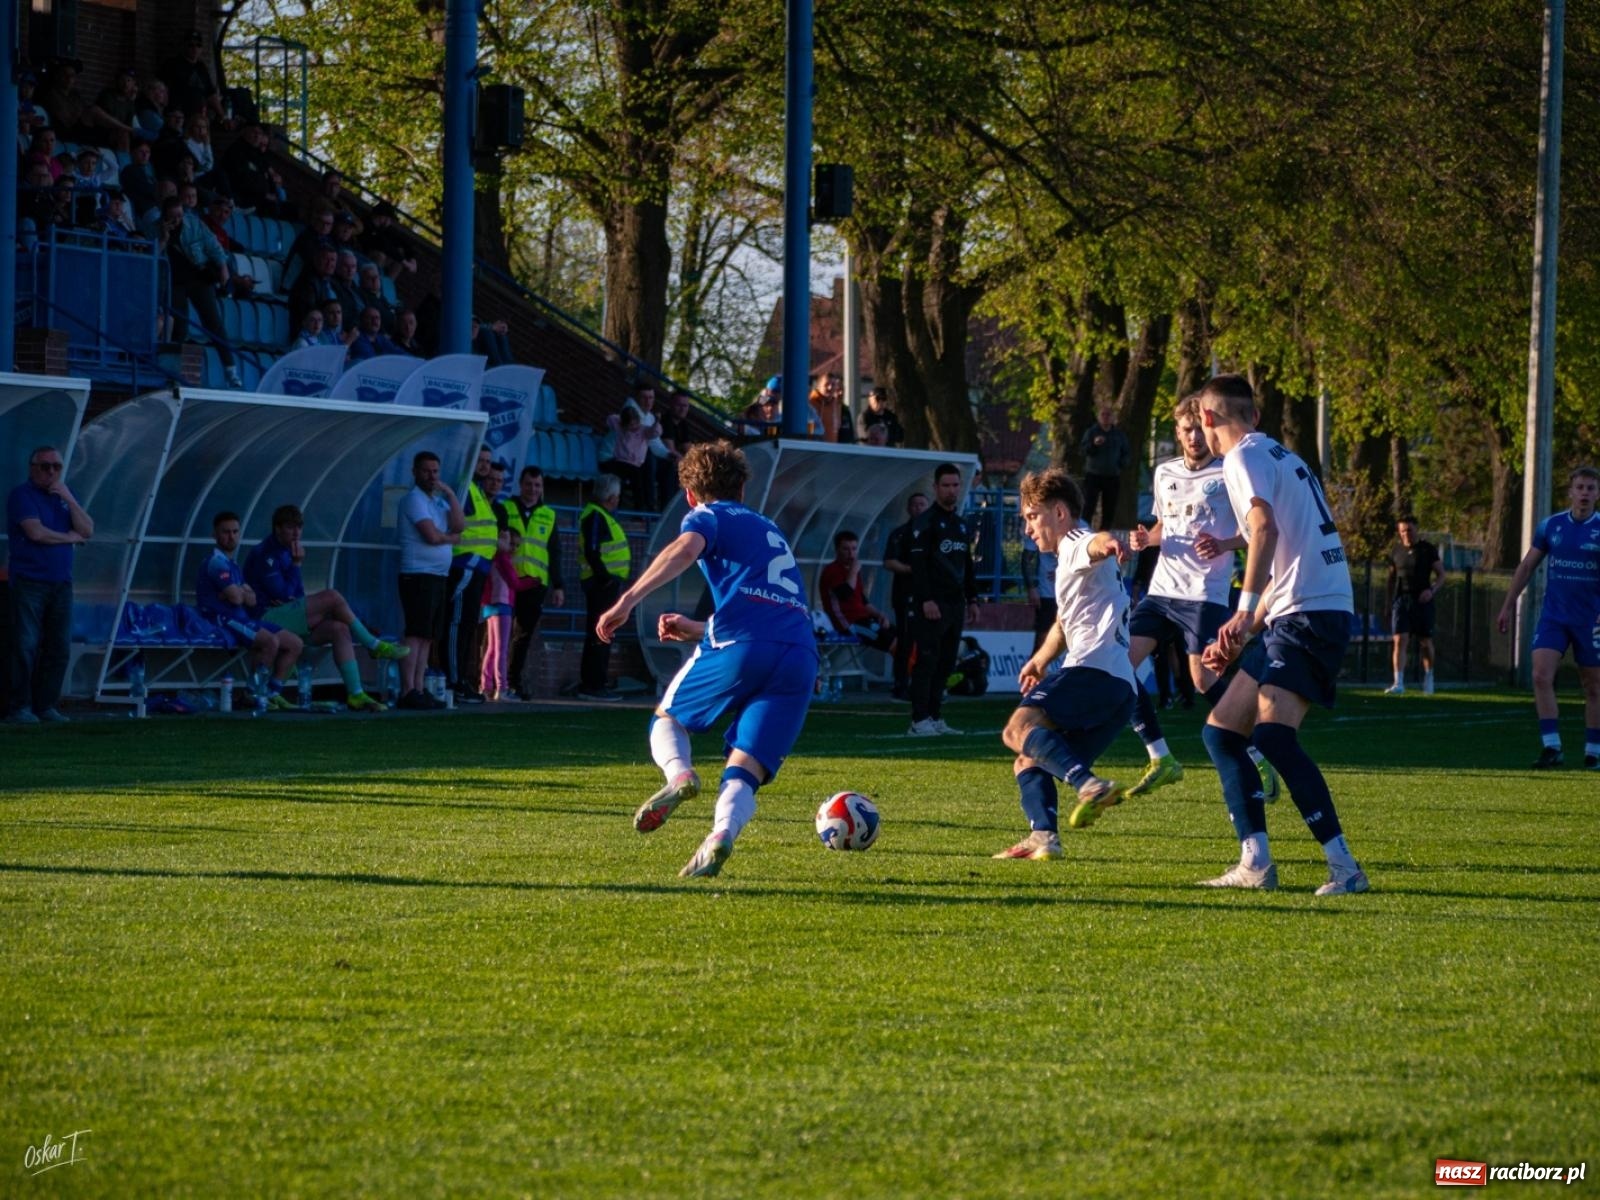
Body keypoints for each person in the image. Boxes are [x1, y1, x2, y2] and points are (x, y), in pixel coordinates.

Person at [597, 439, 817, 879]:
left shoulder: (707, 515)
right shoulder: (767, 527)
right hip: (800, 654)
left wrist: (628, 600)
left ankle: (678, 776)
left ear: (691, 495)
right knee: (746, 765)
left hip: (745, 645)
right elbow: (767, 607)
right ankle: (721, 835)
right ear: (742, 490)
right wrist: (698, 629)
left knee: (667, 719)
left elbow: (685, 549)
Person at [1193, 374, 1368, 895]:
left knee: (1272, 737)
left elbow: (1264, 531)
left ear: (1205, 420)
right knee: (1222, 732)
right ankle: (1256, 863)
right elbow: (1284, 557)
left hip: (1309, 615)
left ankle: (1344, 866)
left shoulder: (1241, 459)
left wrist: (1244, 611)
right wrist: (1246, 628)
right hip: (1302, 610)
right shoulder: (1277, 455)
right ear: (1255, 415)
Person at [1122, 396, 1277, 800]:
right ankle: (1161, 758)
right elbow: (1165, 526)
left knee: (1203, 677)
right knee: (1118, 666)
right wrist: (1145, 538)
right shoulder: (1164, 472)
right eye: (1185, 430)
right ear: (1177, 433)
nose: (1193, 437)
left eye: (1198, 429)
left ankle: (1259, 750)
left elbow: (1257, 531)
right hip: (1161, 591)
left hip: (1203, 595)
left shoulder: (1231, 472)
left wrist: (1224, 544)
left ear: (1208, 428)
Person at [993, 469, 1135, 858]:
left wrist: (1111, 544)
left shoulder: (1075, 541)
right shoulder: (1070, 555)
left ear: (1058, 512)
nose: (1027, 528)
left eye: (1031, 516)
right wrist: (1040, 660)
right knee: (1028, 759)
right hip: (1121, 688)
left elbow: (1097, 543)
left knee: (1017, 729)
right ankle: (1043, 838)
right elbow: (1063, 621)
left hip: (1093, 669)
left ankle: (1089, 785)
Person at [243, 504, 407, 712]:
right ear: (277, 528)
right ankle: (373, 645)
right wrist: (296, 565)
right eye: (290, 527)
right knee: (332, 596)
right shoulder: (265, 553)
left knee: (339, 629)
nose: (296, 533)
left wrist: (291, 589)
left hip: (286, 617)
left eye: (299, 528)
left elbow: (296, 595)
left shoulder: (288, 551)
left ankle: (356, 694)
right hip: (265, 619)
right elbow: (283, 594)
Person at [1495, 465, 1600, 769]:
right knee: (1540, 675)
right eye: (1580, 487)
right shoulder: (1550, 526)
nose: (1584, 494)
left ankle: (1593, 750)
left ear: (1597, 494)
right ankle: (1552, 747)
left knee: (1592, 685)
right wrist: (1507, 605)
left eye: (1590, 488)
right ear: (1570, 492)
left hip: (1590, 620)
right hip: (1554, 616)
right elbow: (1526, 567)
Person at [6, 446, 93, 724]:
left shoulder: (64, 498)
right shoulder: (22, 496)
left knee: (58, 647)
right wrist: (70, 538)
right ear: (32, 468)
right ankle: (18, 706)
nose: (51, 472)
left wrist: (68, 497)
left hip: (61, 583)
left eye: (56, 466)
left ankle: (46, 705)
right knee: (25, 645)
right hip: (30, 581)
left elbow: (88, 530)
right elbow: (36, 532)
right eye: (45, 467)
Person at [195, 511, 301, 710]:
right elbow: (238, 598)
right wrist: (238, 593)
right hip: (222, 619)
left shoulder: (232, 565)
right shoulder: (215, 562)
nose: (231, 536)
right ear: (215, 535)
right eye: (225, 532)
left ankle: (272, 692)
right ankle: (251, 694)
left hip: (242, 616)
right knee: (271, 641)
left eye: (235, 531)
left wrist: (237, 593)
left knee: (295, 643)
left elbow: (251, 600)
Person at [905, 464, 979, 735]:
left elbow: (966, 565)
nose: (951, 490)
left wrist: (972, 599)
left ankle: (935, 716)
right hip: (932, 604)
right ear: (935, 488)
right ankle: (919, 719)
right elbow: (919, 565)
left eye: (955, 485)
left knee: (947, 662)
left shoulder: (960, 525)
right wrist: (926, 599)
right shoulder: (925, 523)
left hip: (955, 604)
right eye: (946, 485)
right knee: (927, 660)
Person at [395, 451, 464, 710]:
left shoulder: (438, 502)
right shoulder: (413, 500)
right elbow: (432, 537)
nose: (432, 476)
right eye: (426, 471)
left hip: (437, 576)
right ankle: (407, 689)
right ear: (415, 472)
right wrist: (450, 539)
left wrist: (451, 494)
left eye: (436, 471)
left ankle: (419, 687)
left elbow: (459, 527)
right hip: (418, 574)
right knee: (414, 633)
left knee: (427, 635)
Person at [444, 455, 506, 703]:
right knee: (456, 624)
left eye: (487, 462)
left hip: (477, 567)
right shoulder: (465, 488)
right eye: (480, 460)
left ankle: (460, 680)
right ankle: (452, 681)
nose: (484, 465)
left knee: (467, 624)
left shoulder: (479, 492)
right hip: (464, 564)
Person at [504, 466, 565, 701]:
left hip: (535, 583)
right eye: (529, 484)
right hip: (507, 580)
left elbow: (555, 551)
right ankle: (492, 681)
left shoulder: (548, 514)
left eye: (537, 485)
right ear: (520, 484)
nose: (533, 489)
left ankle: (513, 681)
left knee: (523, 635)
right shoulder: (506, 508)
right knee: (498, 634)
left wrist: (558, 585)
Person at [578, 474, 630, 701]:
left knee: (603, 632)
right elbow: (592, 550)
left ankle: (595, 682)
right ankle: (593, 684)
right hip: (601, 585)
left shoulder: (601, 515)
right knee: (601, 633)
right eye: (616, 496)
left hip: (605, 583)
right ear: (611, 496)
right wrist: (605, 578)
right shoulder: (596, 516)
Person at [1386, 514, 1446, 695]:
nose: (1406, 534)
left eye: (1409, 530)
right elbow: (1391, 578)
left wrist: (1431, 590)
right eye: (1403, 531)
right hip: (1401, 600)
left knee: (1425, 642)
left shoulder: (1427, 549)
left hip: (1422, 601)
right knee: (1399, 640)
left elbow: (1441, 575)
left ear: (1416, 530)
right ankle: (1399, 682)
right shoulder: (1396, 552)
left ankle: (1429, 676)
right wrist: (1388, 604)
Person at [881, 491, 929, 699]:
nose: (918, 508)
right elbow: (889, 561)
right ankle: (901, 683)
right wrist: (912, 569)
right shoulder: (900, 534)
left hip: (929, 597)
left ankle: (926, 684)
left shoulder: (934, 533)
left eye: (922, 504)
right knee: (906, 640)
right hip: (905, 595)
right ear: (909, 509)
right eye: (915, 504)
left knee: (928, 641)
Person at [818, 531, 897, 653]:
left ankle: (911, 669)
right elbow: (845, 594)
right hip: (847, 623)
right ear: (837, 550)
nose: (851, 554)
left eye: (854, 549)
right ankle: (909, 670)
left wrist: (879, 614)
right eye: (846, 549)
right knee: (890, 642)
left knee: (900, 635)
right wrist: (853, 572)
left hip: (863, 618)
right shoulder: (832, 571)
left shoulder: (852, 571)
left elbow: (862, 600)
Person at [1079, 405, 1132, 531]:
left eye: (1108, 415)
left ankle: (1104, 533)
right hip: (1093, 475)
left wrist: (1121, 464)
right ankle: (1085, 531)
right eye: (1103, 414)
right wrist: (1094, 444)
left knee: (1109, 509)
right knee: (1088, 507)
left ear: (1113, 417)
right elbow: (1083, 451)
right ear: (1098, 417)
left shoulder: (1119, 435)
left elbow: (1127, 453)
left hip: (1112, 476)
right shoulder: (1091, 432)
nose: (1106, 417)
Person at [1019, 533, 1057, 653]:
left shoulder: (1081, 527)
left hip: (1071, 594)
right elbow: (1026, 559)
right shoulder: (1040, 528)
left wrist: (1067, 571)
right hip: (1048, 593)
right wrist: (1031, 588)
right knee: (1042, 641)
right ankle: (1034, 670)